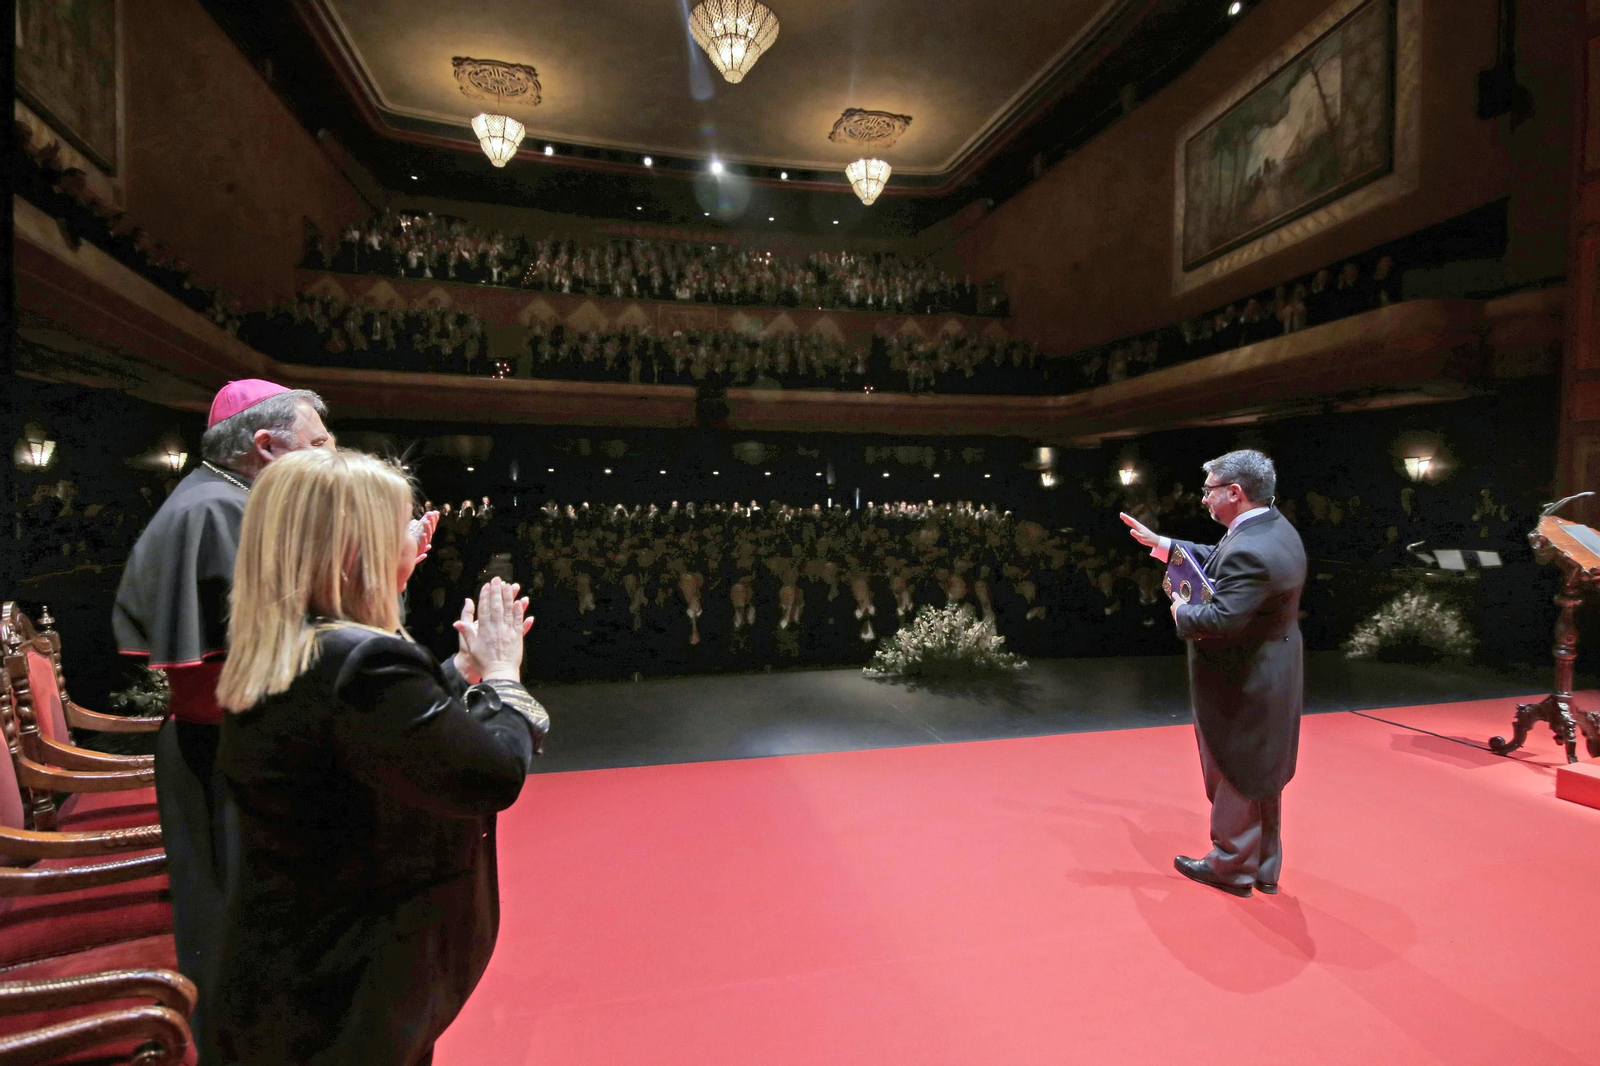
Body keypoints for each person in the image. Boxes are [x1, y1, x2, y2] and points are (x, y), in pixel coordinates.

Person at [209, 448, 547, 1065]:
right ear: (354, 550)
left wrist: (456, 670)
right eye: (400, 527)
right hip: (349, 990)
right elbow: (490, 774)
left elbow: (378, 735)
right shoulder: (362, 664)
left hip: (295, 965)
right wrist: (502, 678)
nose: (418, 540)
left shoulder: (293, 641)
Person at [111, 379, 338, 1034]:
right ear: (265, 446)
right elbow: (204, 688)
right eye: (319, 444)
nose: (333, 455)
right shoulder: (217, 514)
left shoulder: (227, 501)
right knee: (246, 966)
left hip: (235, 757)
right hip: (228, 766)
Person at [1120, 449, 1305, 897]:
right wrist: (1164, 547)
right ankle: (1262, 866)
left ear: (1235, 493)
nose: (1203, 500)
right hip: (1272, 671)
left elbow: (1222, 619)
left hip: (1242, 680)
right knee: (1262, 770)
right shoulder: (1270, 527)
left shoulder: (1251, 548)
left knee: (1235, 769)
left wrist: (1182, 610)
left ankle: (1231, 867)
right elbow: (1224, 562)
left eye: (1209, 491)